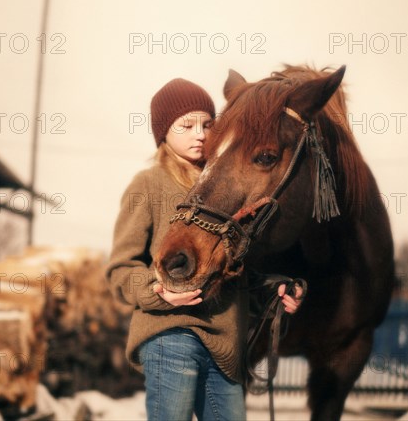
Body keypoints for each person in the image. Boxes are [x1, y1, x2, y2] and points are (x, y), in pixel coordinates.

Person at [107, 78, 302, 421]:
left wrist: (274, 290)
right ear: (163, 133)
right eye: (186, 125)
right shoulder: (148, 184)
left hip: (226, 347)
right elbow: (121, 268)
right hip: (170, 334)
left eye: (208, 124)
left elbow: (230, 271)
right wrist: (158, 293)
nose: (200, 133)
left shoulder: (226, 188)